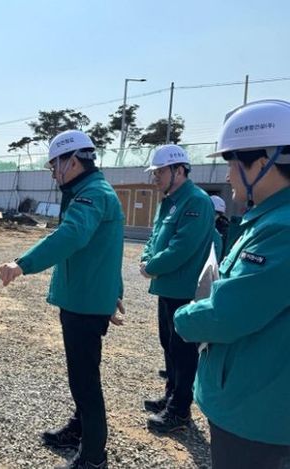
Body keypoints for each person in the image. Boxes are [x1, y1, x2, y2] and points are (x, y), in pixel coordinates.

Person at [0, 130, 125, 469]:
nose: (52, 173)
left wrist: (22, 263)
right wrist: (115, 291)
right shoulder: (87, 191)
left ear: (73, 161)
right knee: (82, 375)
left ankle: (94, 456)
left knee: (85, 381)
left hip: (85, 303)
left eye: (54, 166)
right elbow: (108, 248)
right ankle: (79, 430)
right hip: (85, 297)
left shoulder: (92, 193)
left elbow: (71, 235)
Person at [174, 99, 290, 469]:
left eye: (231, 163)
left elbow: (228, 314)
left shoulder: (281, 228)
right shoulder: (269, 218)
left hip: (258, 411)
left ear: (264, 162)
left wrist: (184, 317)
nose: (227, 176)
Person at [139, 144, 214, 433]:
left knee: (183, 350)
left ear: (179, 170)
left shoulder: (196, 201)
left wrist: (152, 266)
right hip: (167, 286)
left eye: (160, 171)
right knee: (168, 343)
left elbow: (182, 247)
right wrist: (147, 258)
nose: (155, 177)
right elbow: (155, 237)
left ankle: (180, 410)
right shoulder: (169, 201)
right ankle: (171, 394)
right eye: (155, 172)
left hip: (184, 288)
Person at [210, 194, 229, 260]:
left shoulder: (225, 228)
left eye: (219, 214)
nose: (216, 216)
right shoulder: (199, 223)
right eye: (215, 212)